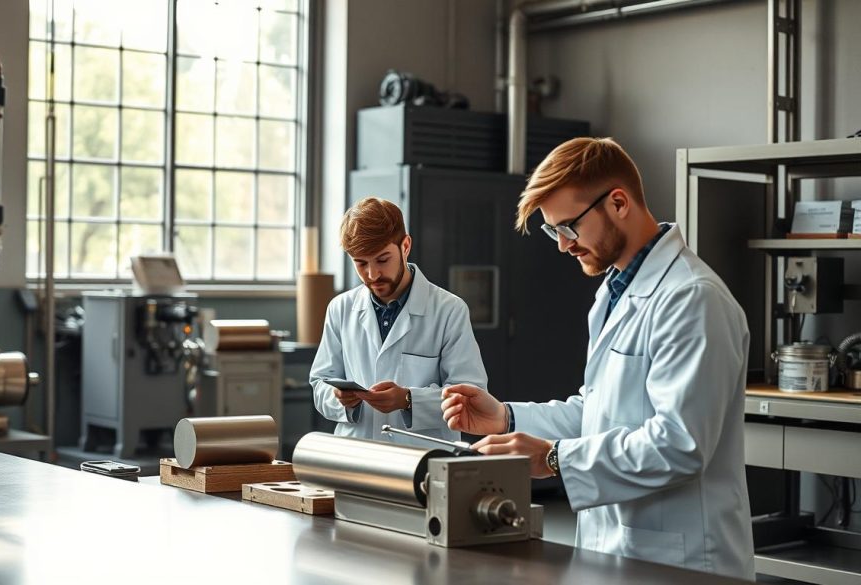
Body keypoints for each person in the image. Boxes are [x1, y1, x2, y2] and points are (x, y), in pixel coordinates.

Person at [441, 138, 754, 579]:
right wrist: (507, 419)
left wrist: (554, 459)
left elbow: (680, 444)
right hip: (617, 549)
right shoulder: (613, 292)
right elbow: (598, 412)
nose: (564, 246)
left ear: (619, 202)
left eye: (568, 227)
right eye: (555, 232)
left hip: (682, 560)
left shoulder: (692, 299)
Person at [310, 197, 488, 446]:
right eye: (361, 263)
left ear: (405, 246)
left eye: (383, 260)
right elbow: (319, 384)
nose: (372, 275)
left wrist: (408, 400)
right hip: (356, 457)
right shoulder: (341, 308)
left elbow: (470, 396)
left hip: (423, 458)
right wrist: (338, 398)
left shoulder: (449, 310)